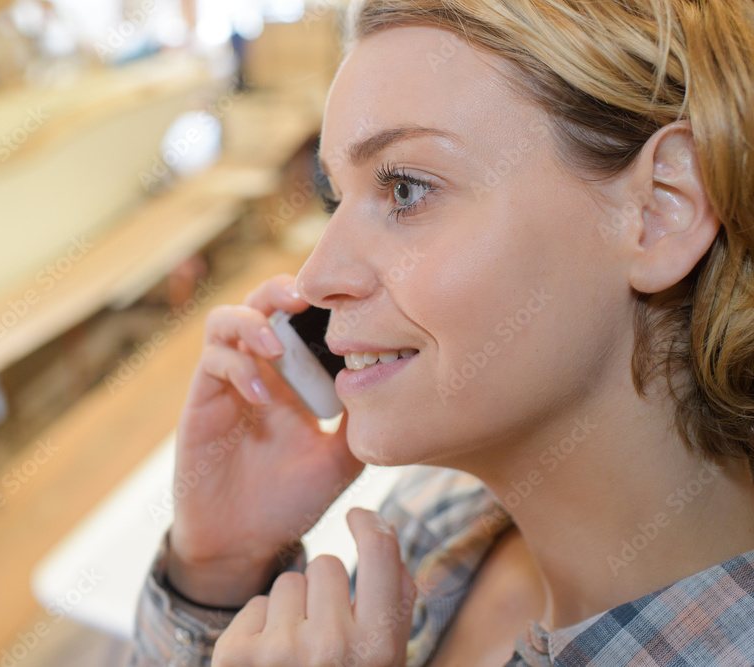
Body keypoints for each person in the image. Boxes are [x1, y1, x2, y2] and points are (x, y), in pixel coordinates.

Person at [127, 0, 754, 664]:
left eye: (405, 189)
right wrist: (219, 570)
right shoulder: (436, 512)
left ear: (660, 208)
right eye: (336, 198)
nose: (314, 279)